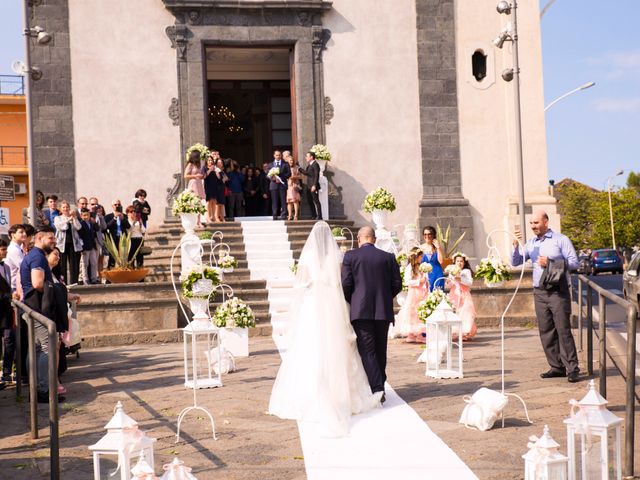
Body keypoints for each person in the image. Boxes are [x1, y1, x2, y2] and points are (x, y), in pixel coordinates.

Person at [269, 222, 382, 437]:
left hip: (313, 304)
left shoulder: (308, 258)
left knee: (312, 346)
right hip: (332, 303)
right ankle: (341, 393)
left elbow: (300, 285)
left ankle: (311, 394)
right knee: (336, 345)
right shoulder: (337, 257)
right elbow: (342, 283)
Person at [512, 210, 580, 383]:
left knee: (563, 330)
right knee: (546, 331)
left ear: (546, 222)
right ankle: (557, 367)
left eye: (536, 223)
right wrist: (515, 246)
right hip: (539, 292)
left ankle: (572, 368)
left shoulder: (560, 240)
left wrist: (550, 262)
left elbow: (574, 263)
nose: (533, 226)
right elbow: (516, 262)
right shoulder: (530, 243)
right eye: (531, 223)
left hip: (558, 291)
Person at [341, 226, 403, 403]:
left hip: (360, 310)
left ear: (359, 239)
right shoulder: (388, 257)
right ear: (374, 239)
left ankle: (378, 389)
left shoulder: (351, 256)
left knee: (368, 351)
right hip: (383, 310)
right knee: (380, 349)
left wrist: (353, 301)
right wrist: (384, 297)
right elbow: (397, 284)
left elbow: (346, 284)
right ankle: (379, 384)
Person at [20, 226, 65, 403]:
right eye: (50, 238)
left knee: (36, 349)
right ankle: (44, 390)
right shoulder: (38, 256)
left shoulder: (34, 255)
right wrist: (57, 290)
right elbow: (38, 283)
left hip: (33, 308)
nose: (53, 241)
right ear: (39, 238)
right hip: (38, 309)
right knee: (46, 349)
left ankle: (36, 388)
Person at [391, 247, 429, 342]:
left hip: (422, 292)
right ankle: (411, 334)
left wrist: (426, 282)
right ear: (415, 257)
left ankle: (419, 333)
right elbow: (407, 281)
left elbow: (425, 278)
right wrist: (418, 281)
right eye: (420, 256)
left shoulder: (421, 266)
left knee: (420, 311)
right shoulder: (409, 268)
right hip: (414, 293)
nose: (421, 258)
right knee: (412, 312)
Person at [446, 252, 477, 341]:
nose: (459, 263)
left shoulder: (466, 271)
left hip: (464, 294)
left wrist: (460, 279)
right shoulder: (452, 271)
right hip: (454, 293)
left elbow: (469, 282)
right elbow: (449, 285)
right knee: (456, 312)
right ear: (454, 262)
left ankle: (465, 331)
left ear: (464, 263)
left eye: (461, 261)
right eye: (457, 261)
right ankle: (456, 331)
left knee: (466, 312)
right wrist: (449, 281)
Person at [54, 201, 83, 284]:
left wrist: (74, 218)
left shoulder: (73, 217)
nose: (66, 209)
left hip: (73, 244)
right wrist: (68, 220)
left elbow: (79, 227)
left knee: (74, 264)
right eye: (63, 207)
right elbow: (61, 227)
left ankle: (74, 282)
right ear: (60, 209)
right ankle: (63, 282)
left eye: (67, 207)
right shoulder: (58, 218)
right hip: (61, 244)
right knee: (62, 264)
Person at [0, 240, 13, 387]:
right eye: (3, 249)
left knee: (10, 341)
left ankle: (7, 372)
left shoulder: (7, 267)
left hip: (7, 309)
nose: (5, 252)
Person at [184, 150, 205, 227]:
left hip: (199, 183)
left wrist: (201, 175)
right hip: (193, 183)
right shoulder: (190, 164)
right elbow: (185, 176)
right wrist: (195, 176)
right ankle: (193, 221)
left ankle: (199, 221)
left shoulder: (198, 164)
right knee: (193, 203)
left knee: (199, 203)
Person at [78, 208, 99, 284]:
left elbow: (97, 229)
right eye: (84, 215)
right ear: (81, 216)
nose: (86, 217)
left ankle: (94, 278)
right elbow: (79, 236)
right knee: (85, 264)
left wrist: (94, 222)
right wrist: (81, 247)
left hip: (92, 246)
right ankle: (85, 279)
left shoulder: (91, 223)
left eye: (87, 215)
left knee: (94, 262)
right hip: (85, 247)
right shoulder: (81, 224)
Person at [105, 203, 130, 268]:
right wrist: (114, 218)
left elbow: (128, 226)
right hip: (113, 238)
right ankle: (110, 272)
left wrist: (123, 219)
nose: (117, 206)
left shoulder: (124, 216)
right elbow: (107, 226)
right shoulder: (108, 216)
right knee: (112, 256)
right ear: (112, 206)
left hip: (123, 238)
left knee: (124, 256)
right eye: (115, 204)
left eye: (119, 204)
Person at [420, 226, 445, 291]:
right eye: (425, 234)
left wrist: (438, 248)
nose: (427, 236)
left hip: (437, 274)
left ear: (433, 235)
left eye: (429, 234)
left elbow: (441, 261)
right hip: (425, 276)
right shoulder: (420, 248)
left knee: (437, 296)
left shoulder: (438, 247)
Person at [268, 150, 291, 220]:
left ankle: (283, 215)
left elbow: (289, 174)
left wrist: (281, 178)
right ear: (274, 156)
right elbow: (268, 175)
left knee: (283, 200)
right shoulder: (270, 165)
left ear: (281, 156)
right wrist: (274, 179)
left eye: (279, 155)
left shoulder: (285, 164)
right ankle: (274, 215)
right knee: (274, 201)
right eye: (276, 155)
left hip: (282, 185)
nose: (278, 156)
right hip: (273, 185)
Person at [299, 151, 322, 220]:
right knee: (309, 200)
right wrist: (299, 168)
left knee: (316, 201)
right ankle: (314, 215)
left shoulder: (315, 164)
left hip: (313, 186)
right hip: (308, 186)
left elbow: (316, 175)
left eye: (307, 156)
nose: (306, 158)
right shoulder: (309, 165)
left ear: (311, 157)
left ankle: (320, 216)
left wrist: (314, 185)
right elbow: (307, 173)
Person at [285, 152, 302, 221]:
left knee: (295, 201)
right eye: (289, 161)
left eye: (292, 160)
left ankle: (296, 215)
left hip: (294, 186)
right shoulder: (285, 167)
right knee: (289, 202)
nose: (291, 162)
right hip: (288, 186)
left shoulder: (297, 167)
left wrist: (294, 177)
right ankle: (289, 215)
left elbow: (301, 176)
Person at [203, 156, 219, 223]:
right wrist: (210, 170)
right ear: (206, 161)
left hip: (214, 186)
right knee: (209, 202)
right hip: (208, 186)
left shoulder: (215, 168)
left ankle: (214, 216)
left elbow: (219, 177)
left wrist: (216, 171)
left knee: (214, 201)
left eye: (211, 160)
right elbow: (204, 176)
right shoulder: (205, 168)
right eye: (209, 160)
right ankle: (208, 217)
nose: (210, 161)